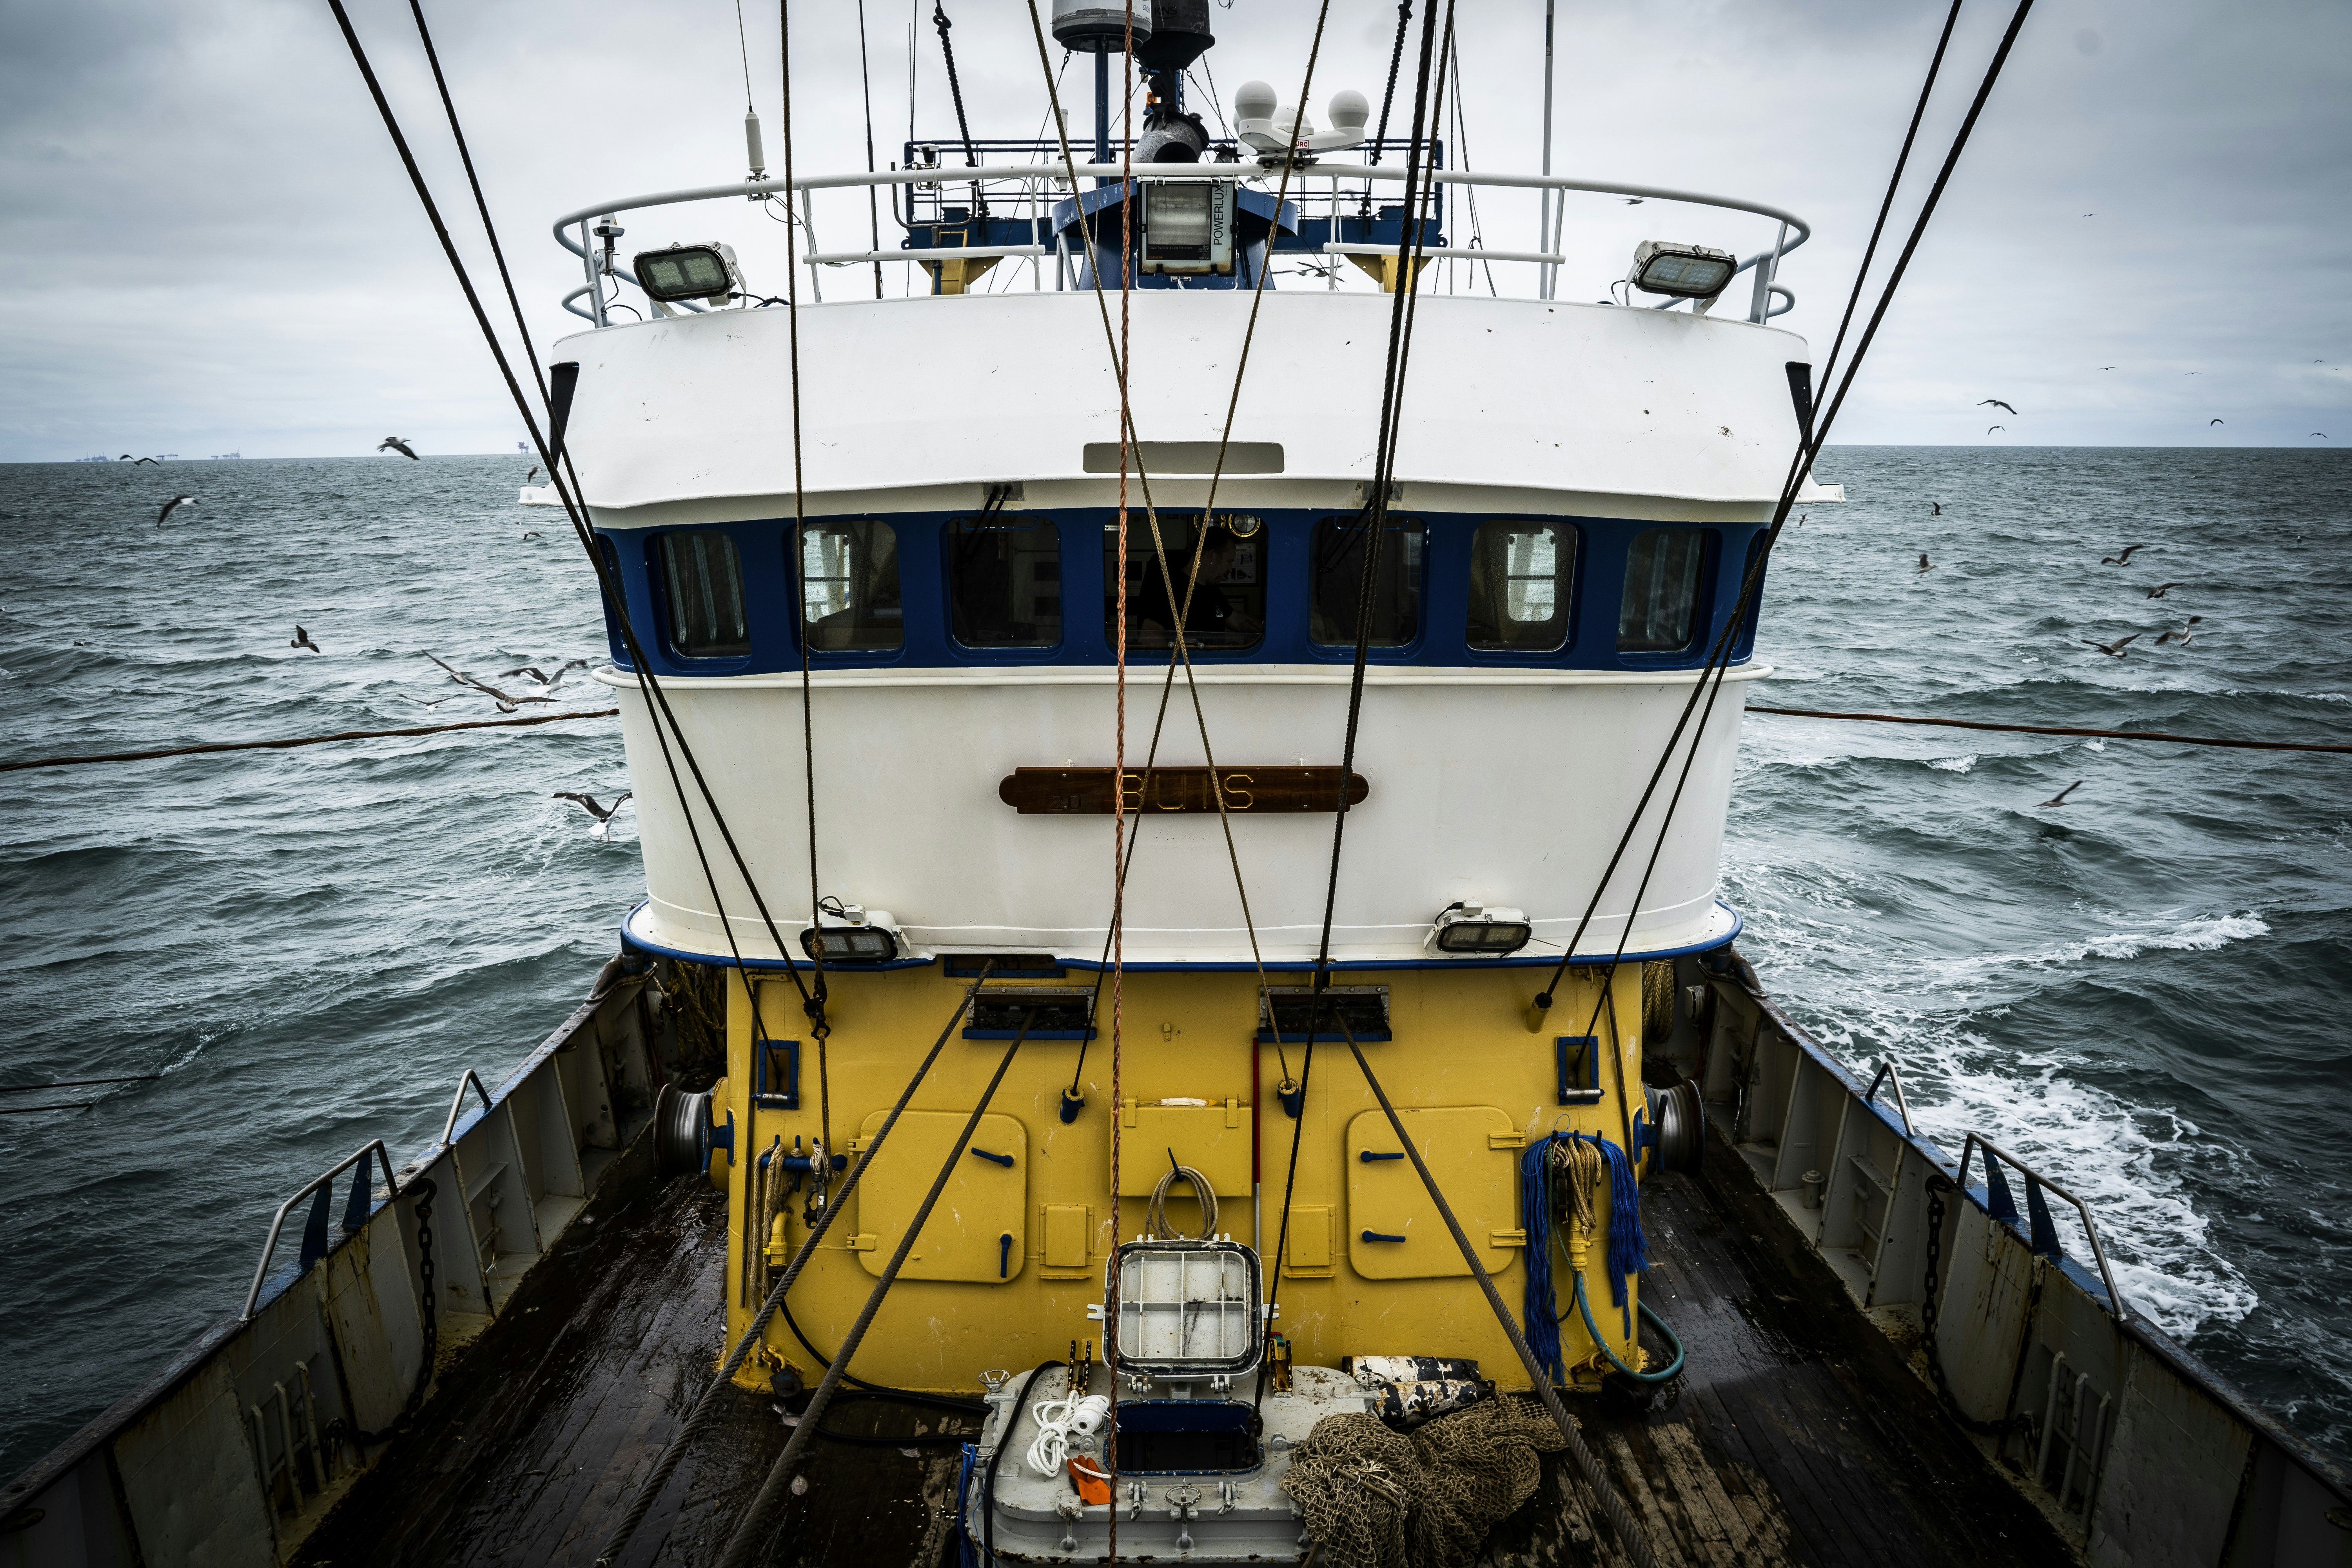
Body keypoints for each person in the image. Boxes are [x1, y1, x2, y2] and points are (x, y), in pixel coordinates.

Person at [1123, 525, 1261, 648]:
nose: (1230, 569)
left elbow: (1235, 619)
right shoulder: (1168, 587)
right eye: (1229, 561)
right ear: (1212, 555)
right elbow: (1151, 635)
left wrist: (1268, 631)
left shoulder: (1213, 592)